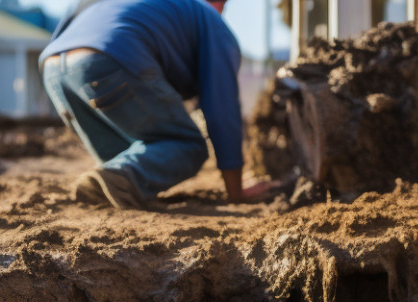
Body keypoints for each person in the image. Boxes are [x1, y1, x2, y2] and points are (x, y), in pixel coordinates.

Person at [40, 0, 271, 209]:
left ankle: (109, 183)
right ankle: (117, 179)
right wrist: (236, 193)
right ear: (220, 5)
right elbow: (223, 109)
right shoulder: (213, 23)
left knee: (133, 153)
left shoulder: (151, 9)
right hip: (110, 56)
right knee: (187, 144)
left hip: (53, 68)